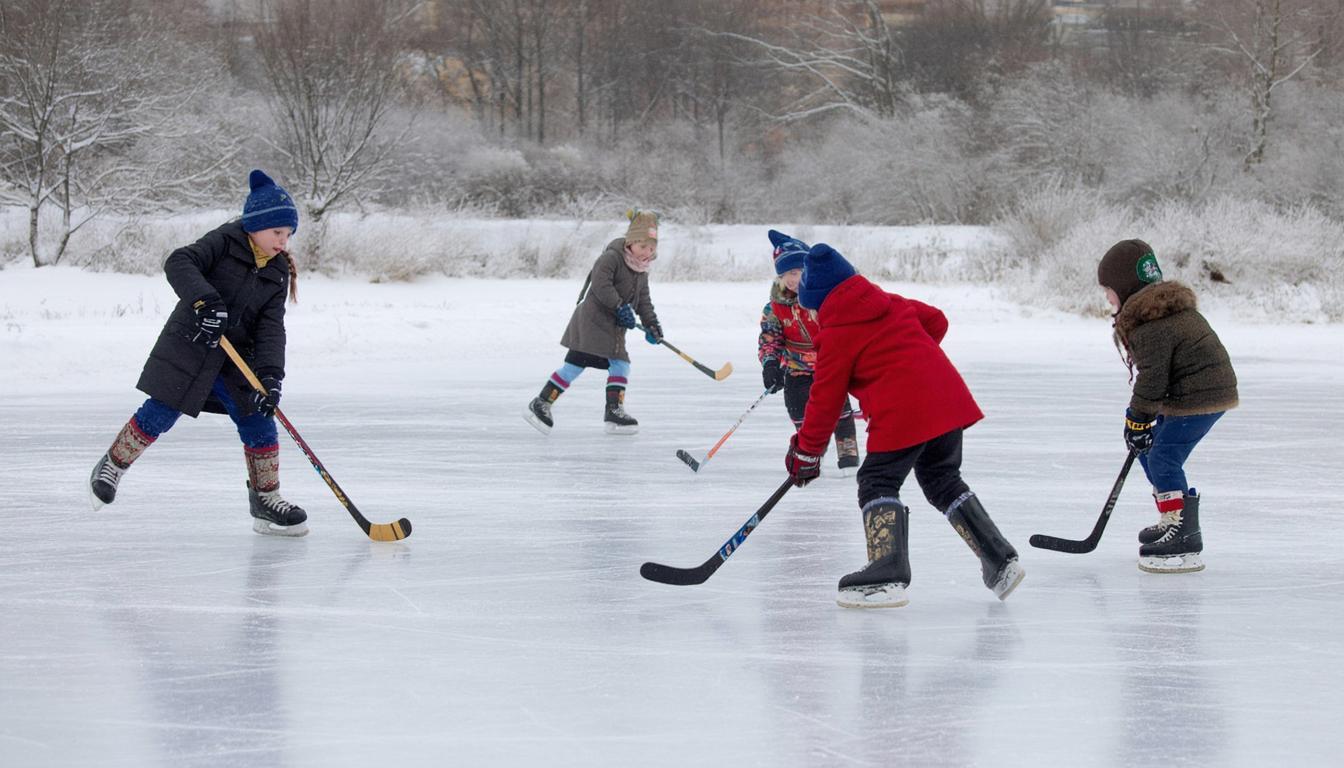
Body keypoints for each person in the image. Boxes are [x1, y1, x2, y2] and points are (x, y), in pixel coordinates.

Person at [783, 243, 1024, 608]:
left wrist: (806, 452)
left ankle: (887, 571)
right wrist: (910, 361)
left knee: (877, 481)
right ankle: (1000, 559)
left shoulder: (836, 333)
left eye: (812, 308)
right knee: (942, 480)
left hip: (905, 412)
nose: (813, 316)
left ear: (820, 300)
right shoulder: (891, 302)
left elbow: (825, 400)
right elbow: (937, 320)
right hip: (946, 399)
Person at [88, 169, 308, 537]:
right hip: (192, 346)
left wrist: (271, 375)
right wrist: (205, 301)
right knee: (162, 410)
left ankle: (265, 500)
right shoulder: (224, 241)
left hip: (238, 360)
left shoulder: (278, 270)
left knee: (258, 420)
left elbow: (272, 327)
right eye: (277, 233)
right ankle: (112, 465)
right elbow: (179, 261)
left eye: (288, 235)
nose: (283, 243)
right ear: (254, 226)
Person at [1098, 239, 1238, 573]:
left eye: (1108, 289)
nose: (1106, 297)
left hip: (1200, 395)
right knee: (1151, 450)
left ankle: (1183, 534)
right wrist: (1140, 424)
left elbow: (1152, 380)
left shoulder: (1151, 326)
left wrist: (1136, 419)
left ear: (1125, 287)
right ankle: (1173, 518)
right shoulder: (1161, 313)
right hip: (1191, 392)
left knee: (1162, 455)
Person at [525, 210, 664, 435]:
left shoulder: (641, 270)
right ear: (630, 243)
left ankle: (611, 411)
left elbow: (644, 301)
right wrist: (620, 306)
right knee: (579, 366)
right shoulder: (611, 258)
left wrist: (652, 325)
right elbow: (600, 286)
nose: (646, 253)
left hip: (613, 327)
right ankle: (543, 403)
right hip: (592, 321)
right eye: (642, 247)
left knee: (614, 364)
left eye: (651, 248)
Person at [758, 229, 859, 475]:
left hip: (829, 365)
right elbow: (770, 337)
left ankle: (847, 452)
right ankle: (809, 455)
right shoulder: (775, 307)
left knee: (839, 410)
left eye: (796, 272)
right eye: (785, 275)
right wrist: (771, 364)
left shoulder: (823, 297)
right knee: (798, 410)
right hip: (795, 367)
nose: (792, 280)